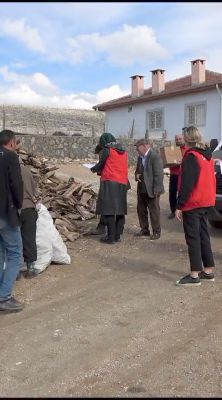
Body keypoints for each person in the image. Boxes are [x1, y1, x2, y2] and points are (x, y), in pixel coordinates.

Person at [175, 126, 216, 286]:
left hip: (193, 203)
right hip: (206, 201)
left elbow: (187, 184)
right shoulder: (207, 156)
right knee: (204, 236)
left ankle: (194, 275)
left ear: (187, 138)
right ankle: (208, 271)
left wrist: (179, 205)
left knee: (192, 238)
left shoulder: (191, 156)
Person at [0, 130, 24, 312]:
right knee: (15, 253)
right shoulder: (10, 157)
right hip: (6, 214)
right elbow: (16, 185)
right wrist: (19, 205)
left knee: (0, 254)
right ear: (12, 142)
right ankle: (4, 297)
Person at [91, 132, 128, 244]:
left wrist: (93, 168)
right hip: (122, 181)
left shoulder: (108, 149)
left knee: (109, 209)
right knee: (120, 210)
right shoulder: (124, 151)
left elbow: (101, 164)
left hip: (110, 180)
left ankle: (110, 237)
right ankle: (117, 236)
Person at [135, 139, 164, 240]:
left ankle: (156, 232)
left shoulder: (154, 156)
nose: (136, 149)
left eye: (137, 147)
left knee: (154, 211)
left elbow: (159, 174)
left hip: (152, 190)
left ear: (144, 146)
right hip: (142, 188)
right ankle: (144, 230)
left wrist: (157, 190)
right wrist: (137, 175)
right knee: (141, 210)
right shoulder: (140, 157)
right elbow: (137, 171)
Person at [19, 162, 38, 279]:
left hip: (13, 211)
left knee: (12, 243)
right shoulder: (26, 170)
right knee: (29, 239)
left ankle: (14, 272)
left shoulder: (5, 170)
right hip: (29, 208)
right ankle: (30, 268)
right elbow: (33, 189)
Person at [88, 143, 107, 236]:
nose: (99, 157)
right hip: (115, 182)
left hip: (110, 183)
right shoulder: (113, 153)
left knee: (104, 204)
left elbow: (103, 168)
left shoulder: (106, 154)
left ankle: (102, 227)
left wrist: (95, 168)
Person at [168, 134, 187, 219]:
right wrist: (173, 163)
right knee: (172, 192)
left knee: (183, 193)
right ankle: (173, 211)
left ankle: (184, 210)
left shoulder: (188, 149)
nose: (178, 140)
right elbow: (167, 162)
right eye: (177, 139)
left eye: (180, 139)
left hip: (184, 175)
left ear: (184, 139)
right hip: (174, 175)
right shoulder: (172, 150)